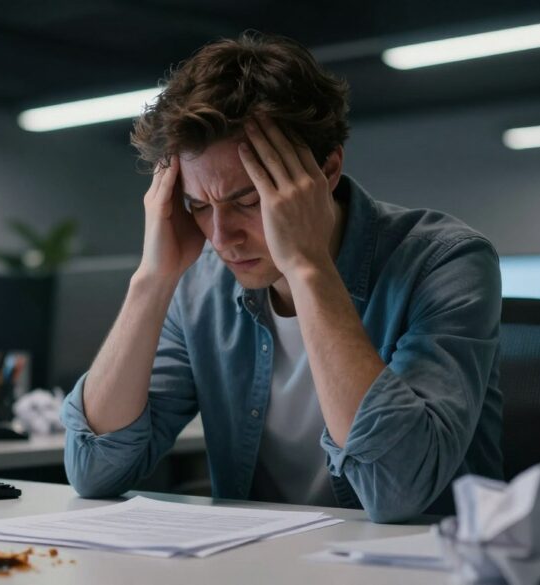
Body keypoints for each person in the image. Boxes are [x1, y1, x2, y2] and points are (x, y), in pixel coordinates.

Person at [60, 32, 503, 523]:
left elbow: (397, 489)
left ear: (327, 169)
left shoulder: (445, 261)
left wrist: (308, 267)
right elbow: (94, 470)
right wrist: (152, 279)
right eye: (199, 207)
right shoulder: (200, 286)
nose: (223, 236)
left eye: (248, 201)